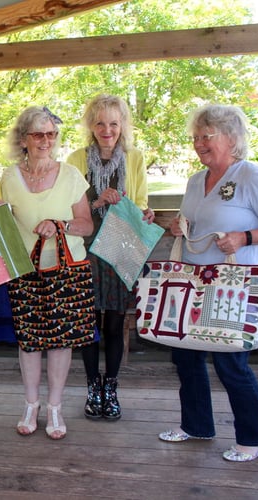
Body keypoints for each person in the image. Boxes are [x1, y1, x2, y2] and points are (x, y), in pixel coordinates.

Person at [158, 104, 258, 462]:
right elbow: (192, 221)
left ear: (231, 138)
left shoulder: (252, 178)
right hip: (194, 285)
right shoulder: (196, 180)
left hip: (232, 288)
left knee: (231, 364)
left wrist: (245, 236)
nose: (198, 143)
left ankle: (255, 437)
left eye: (206, 136)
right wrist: (179, 227)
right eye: (196, 137)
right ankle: (196, 425)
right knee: (186, 358)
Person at [1, 106, 95, 439]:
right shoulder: (9, 178)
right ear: (23, 139)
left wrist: (61, 225)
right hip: (25, 271)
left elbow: (86, 225)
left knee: (60, 342)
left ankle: (54, 408)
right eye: (38, 134)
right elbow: (0, 225)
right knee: (28, 342)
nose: (46, 141)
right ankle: (31, 404)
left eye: (51, 134)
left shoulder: (70, 175)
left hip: (66, 271)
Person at [66, 94, 155, 420]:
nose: (107, 130)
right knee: (89, 325)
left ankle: (111, 387)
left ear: (123, 126)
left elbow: (142, 203)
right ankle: (92, 387)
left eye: (114, 123)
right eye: (100, 123)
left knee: (115, 323)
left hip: (121, 249)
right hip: (85, 251)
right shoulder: (76, 159)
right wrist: (97, 201)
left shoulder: (134, 158)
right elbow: (67, 209)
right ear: (91, 125)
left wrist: (146, 213)